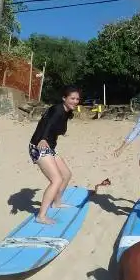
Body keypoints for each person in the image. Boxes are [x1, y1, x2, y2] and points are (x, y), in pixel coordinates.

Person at [28, 85, 80, 225]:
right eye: (72, 98)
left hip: (49, 147)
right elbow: (47, 123)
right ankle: (41, 216)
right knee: (56, 180)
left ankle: (56, 203)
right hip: (39, 146)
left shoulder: (66, 111)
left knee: (66, 174)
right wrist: (44, 137)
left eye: (77, 99)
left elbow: (56, 126)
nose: (75, 101)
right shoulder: (57, 110)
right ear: (64, 98)